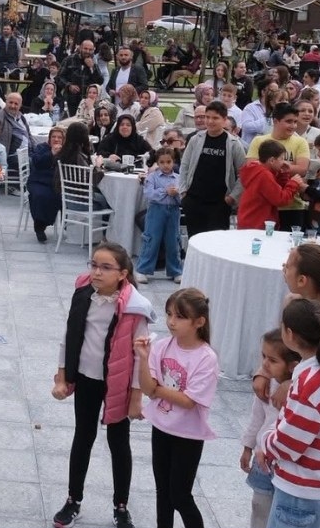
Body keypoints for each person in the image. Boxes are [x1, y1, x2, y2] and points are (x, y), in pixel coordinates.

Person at [52, 242, 153, 528]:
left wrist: (136, 398)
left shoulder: (135, 308)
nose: (96, 272)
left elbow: (138, 355)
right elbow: (69, 335)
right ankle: (73, 500)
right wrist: (62, 375)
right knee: (82, 436)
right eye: (94, 265)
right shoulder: (83, 294)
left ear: (122, 273)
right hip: (86, 378)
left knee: (119, 443)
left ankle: (121, 505)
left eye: (105, 267)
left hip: (118, 383)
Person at [258, 299, 320, 528]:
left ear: (289, 333)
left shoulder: (310, 381)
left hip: (300, 488)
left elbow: (291, 442)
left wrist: (266, 443)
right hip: (316, 483)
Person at [134, 287, 217, 528]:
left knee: (180, 495)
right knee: (163, 492)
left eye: (179, 316)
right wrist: (143, 356)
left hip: (187, 435)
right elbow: (148, 388)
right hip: (161, 427)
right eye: (169, 314)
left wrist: (159, 390)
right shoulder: (160, 347)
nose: (171, 322)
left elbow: (188, 400)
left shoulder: (206, 357)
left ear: (199, 322)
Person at [241, 330, 302, 528]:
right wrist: (247, 447)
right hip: (262, 461)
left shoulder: (300, 390)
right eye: (263, 356)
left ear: (292, 366)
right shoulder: (265, 384)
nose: (265, 364)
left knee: (282, 512)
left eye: (273, 360)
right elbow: (257, 418)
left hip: (285, 462)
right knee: (259, 505)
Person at [179, 101, 245, 236]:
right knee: (194, 240)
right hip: (194, 200)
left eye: (215, 118)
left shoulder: (233, 144)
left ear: (224, 120)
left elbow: (243, 173)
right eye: (207, 117)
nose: (210, 121)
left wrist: (232, 197)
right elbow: (185, 166)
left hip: (219, 204)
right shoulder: (195, 139)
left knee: (215, 242)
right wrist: (184, 191)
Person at [136, 147, 185, 284]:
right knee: (151, 239)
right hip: (156, 211)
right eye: (162, 162)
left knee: (173, 240)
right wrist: (165, 191)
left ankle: (175, 270)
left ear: (173, 161)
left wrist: (177, 194)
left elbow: (183, 197)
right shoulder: (152, 178)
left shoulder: (178, 178)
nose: (165, 165)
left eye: (168, 162)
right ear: (157, 162)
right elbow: (149, 194)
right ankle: (143, 269)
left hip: (173, 211)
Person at [239, 139, 306, 231]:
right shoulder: (264, 175)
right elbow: (280, 199)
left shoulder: (256, 170)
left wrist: (283, 174)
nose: (284, 162)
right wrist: (293, 183)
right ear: (272, 160)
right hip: (258, 223)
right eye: (282, 158)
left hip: (251, 221)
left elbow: (276, 189)